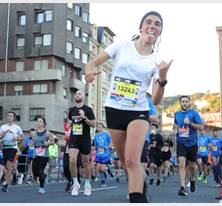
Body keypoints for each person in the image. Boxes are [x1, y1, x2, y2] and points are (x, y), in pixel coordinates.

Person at [85, 11, 172, 203]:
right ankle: (141, 186)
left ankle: (137, 199)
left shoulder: (157, 60)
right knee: (125, 163)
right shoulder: (122, 46)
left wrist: (163, 78)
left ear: (159, 32)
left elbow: (156, 100)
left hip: (138, 111)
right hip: (114, 110)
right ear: (140, 27)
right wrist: (89, 70)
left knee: (133, 160)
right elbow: (93, 61)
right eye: (148, 22)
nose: (152, 26)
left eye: (157, 24)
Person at [68, 90, 96, 196]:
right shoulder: (71, 110)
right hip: (74, 138)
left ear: (83, 97)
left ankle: (87, 184)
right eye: (76, 94)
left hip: (85, 139)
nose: (77, 95)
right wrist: (71, 124)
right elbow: (70, 122)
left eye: (79, 94)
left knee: (86, 163)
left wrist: (84, 117)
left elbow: (93, 124)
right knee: (72, 160)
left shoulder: (88, 109)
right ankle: (76, 183)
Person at [174, 95, 204, 196]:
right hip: (181, 142)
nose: (185, 103)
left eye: (186, 101)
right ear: (180, 103)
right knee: (181, 164)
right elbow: (176, 125)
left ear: (189, 103)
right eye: (183, 101)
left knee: (192, 165)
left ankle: (192, 178)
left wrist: (190, 123)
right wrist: (174, 131)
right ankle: (182, 187)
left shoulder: (194, 113)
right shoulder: (177, 114)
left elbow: (201, 127)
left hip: (192, 143)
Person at [0, 111, 24, 192]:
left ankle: (6, 185)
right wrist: (5, 132)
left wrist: (17, 138)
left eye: (11, 116)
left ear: (14, 118)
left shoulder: (17, 127)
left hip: (13, 148)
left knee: (9, 165)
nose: (9, 117)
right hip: (5, 148)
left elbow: (22, 138)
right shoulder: (3, 127)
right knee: (5, 167)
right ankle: (15, 174)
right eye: (8, 116)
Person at [32, 116, 53, 194]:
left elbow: (53, 141)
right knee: (35, 172)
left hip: (44, 155)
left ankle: (41, 188)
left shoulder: (47, 132)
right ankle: (44, 176)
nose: (38, 123)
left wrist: (48, 143)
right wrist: (32, 144)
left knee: (40, 171)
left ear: (43, 123)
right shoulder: (34, 133)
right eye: (37, 121)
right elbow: (34, 142)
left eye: (40, 121)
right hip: (36, 154)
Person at [92, 123, 112, 187]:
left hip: (105, 154)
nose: (99, 128)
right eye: (98, 127)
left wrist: (107, 146)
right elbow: (95, 145)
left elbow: (111, 142)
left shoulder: (106, 134)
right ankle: (106, 170)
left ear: (102, 128)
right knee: (98, 169)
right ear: (97, 128)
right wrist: (93, 148)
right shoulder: (95, 136)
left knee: (102, 168)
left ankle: (103, 180)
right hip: (98, 154)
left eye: (100, 127)